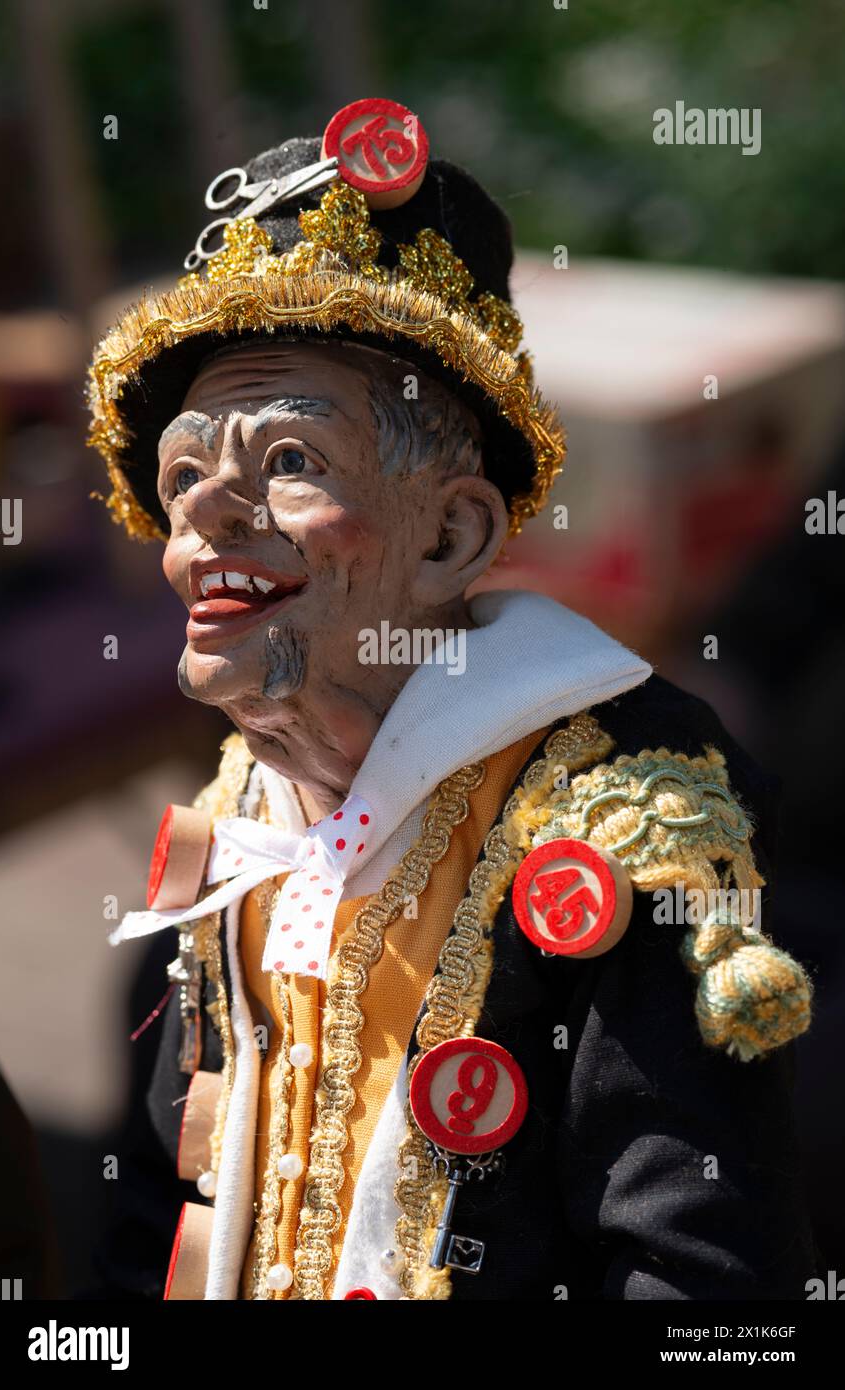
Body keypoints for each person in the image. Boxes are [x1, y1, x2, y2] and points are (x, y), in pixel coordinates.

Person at [87, 98, 816, 1301]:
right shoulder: (237, 831)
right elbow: (145, 1238)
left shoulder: (625, 822)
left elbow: (706, 1296)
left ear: (451, 536)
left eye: (286, 463)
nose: (209, 511)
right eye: (182, 472)